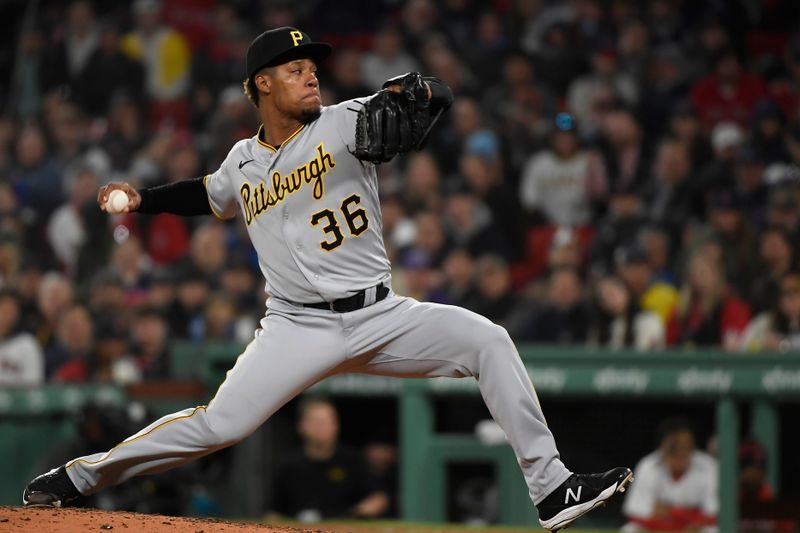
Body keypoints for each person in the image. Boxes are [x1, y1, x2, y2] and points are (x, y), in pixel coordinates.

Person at [23, 27, 631, 532]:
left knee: (489, 340)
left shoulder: (344, 122)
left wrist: (428, 93)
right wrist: (140, 199)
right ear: (262, 82)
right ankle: (81, 476)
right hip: (296, 325)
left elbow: (421, 106)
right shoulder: (242, 160)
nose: (312, 74)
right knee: (220, 425)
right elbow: (206, 195)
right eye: (296, 68)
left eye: (313, 66)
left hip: (381, 315)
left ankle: (551, 490)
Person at [268, 397, 387, 520]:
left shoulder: (354, 460)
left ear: (336, 425)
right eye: (316, 422)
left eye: (327, 422)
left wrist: (359, 511)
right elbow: (275, 512)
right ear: (301, 426)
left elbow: (378, 498)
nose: (321, 428)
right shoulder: (288, 466)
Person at [622, 419, 718, 533]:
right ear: (662, 447)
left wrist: (670, 512)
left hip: (695, 530)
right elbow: (635, 516)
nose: (681, 452)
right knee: (630, 529)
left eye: (686, 446)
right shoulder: (648, 465)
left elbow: (715, 516)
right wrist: (690, 515)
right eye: (674, 447)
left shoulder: (708, 465)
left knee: (713, 530)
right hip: (657, 529)